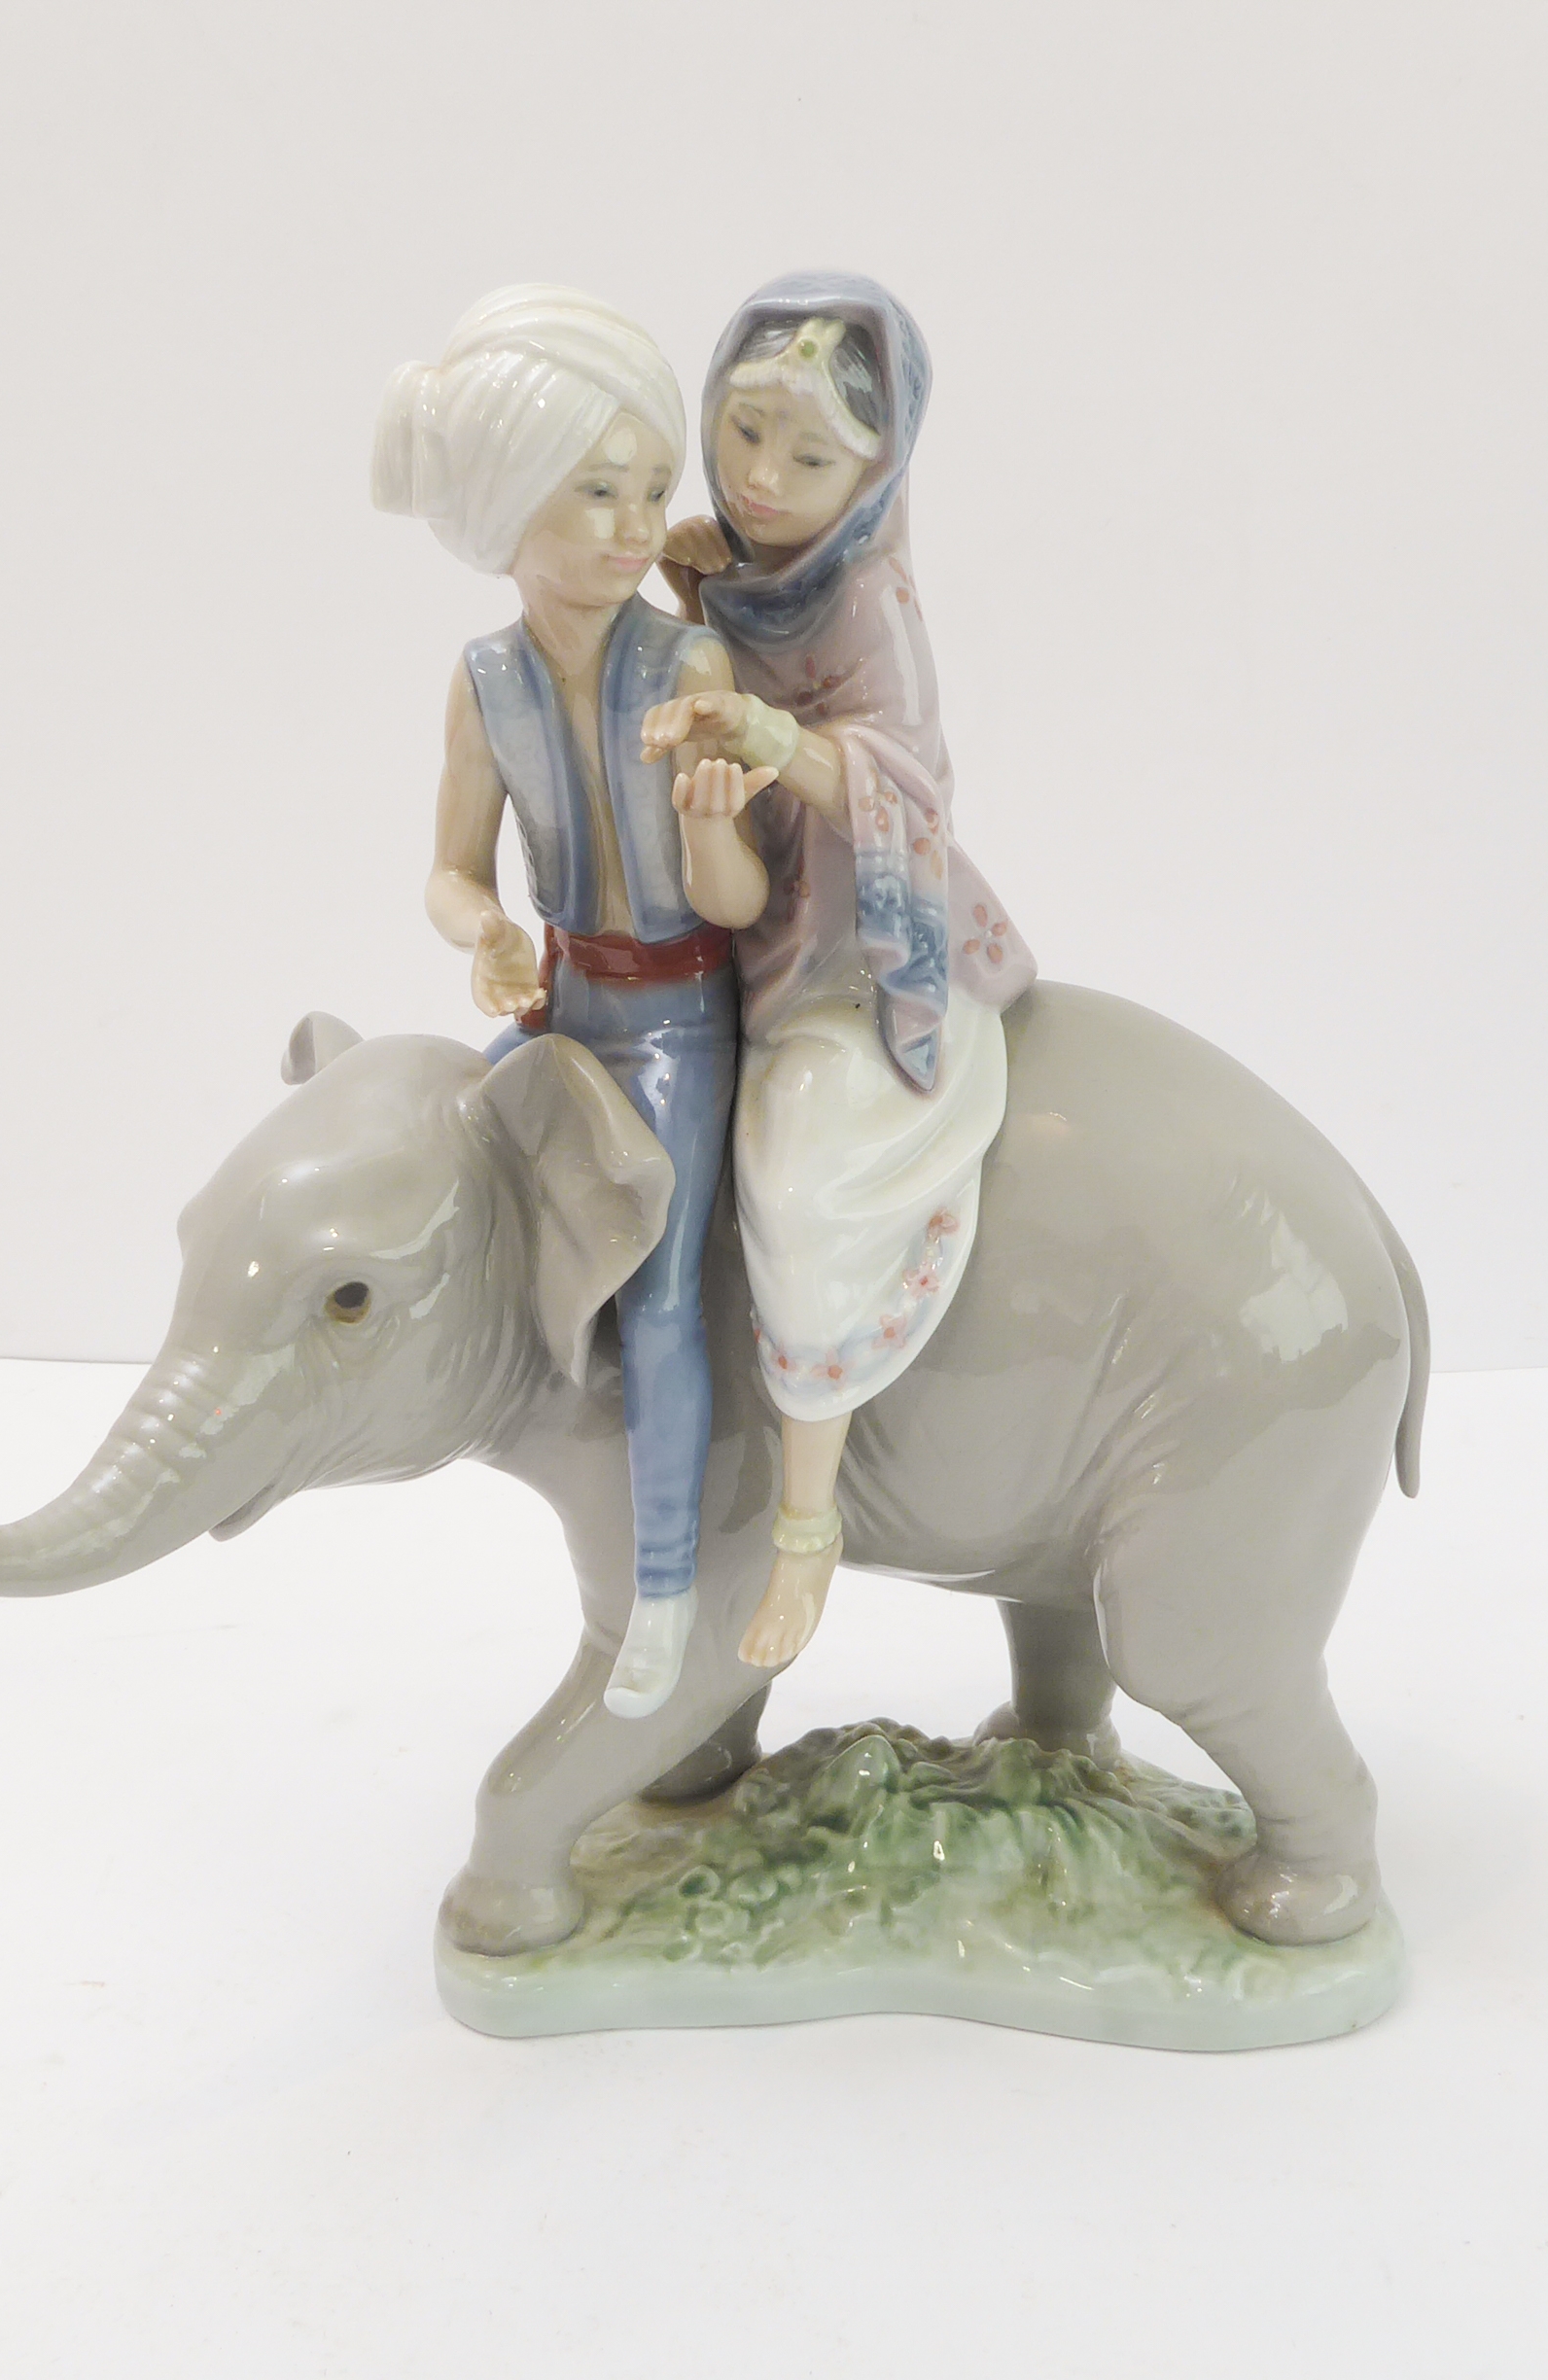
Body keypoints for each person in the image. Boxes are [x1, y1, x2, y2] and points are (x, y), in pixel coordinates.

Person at [372, 285, 765, 1718]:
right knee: (435, 1178)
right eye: (597, 490)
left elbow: (734, 907)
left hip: (677, 1022)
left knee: (655, 1292)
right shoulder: (486, 682)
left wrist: (711, 822)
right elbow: (448, 871)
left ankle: (663, 1588)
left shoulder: (689, 663)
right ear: (507, 504)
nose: (633, 524)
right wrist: (484, 935)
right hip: (562, 1006)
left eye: (650, 489)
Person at [642, 273, 1036, 1669]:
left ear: (875, 478)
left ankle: (808, 1523)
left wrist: (768, 739)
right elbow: (732, 861)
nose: (762, 476)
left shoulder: (866, 601)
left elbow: (906, 788)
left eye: (810, 457)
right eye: (745, 430)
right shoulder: (730, 576)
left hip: (858, 958)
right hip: (750, 927)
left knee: (801, 1185)